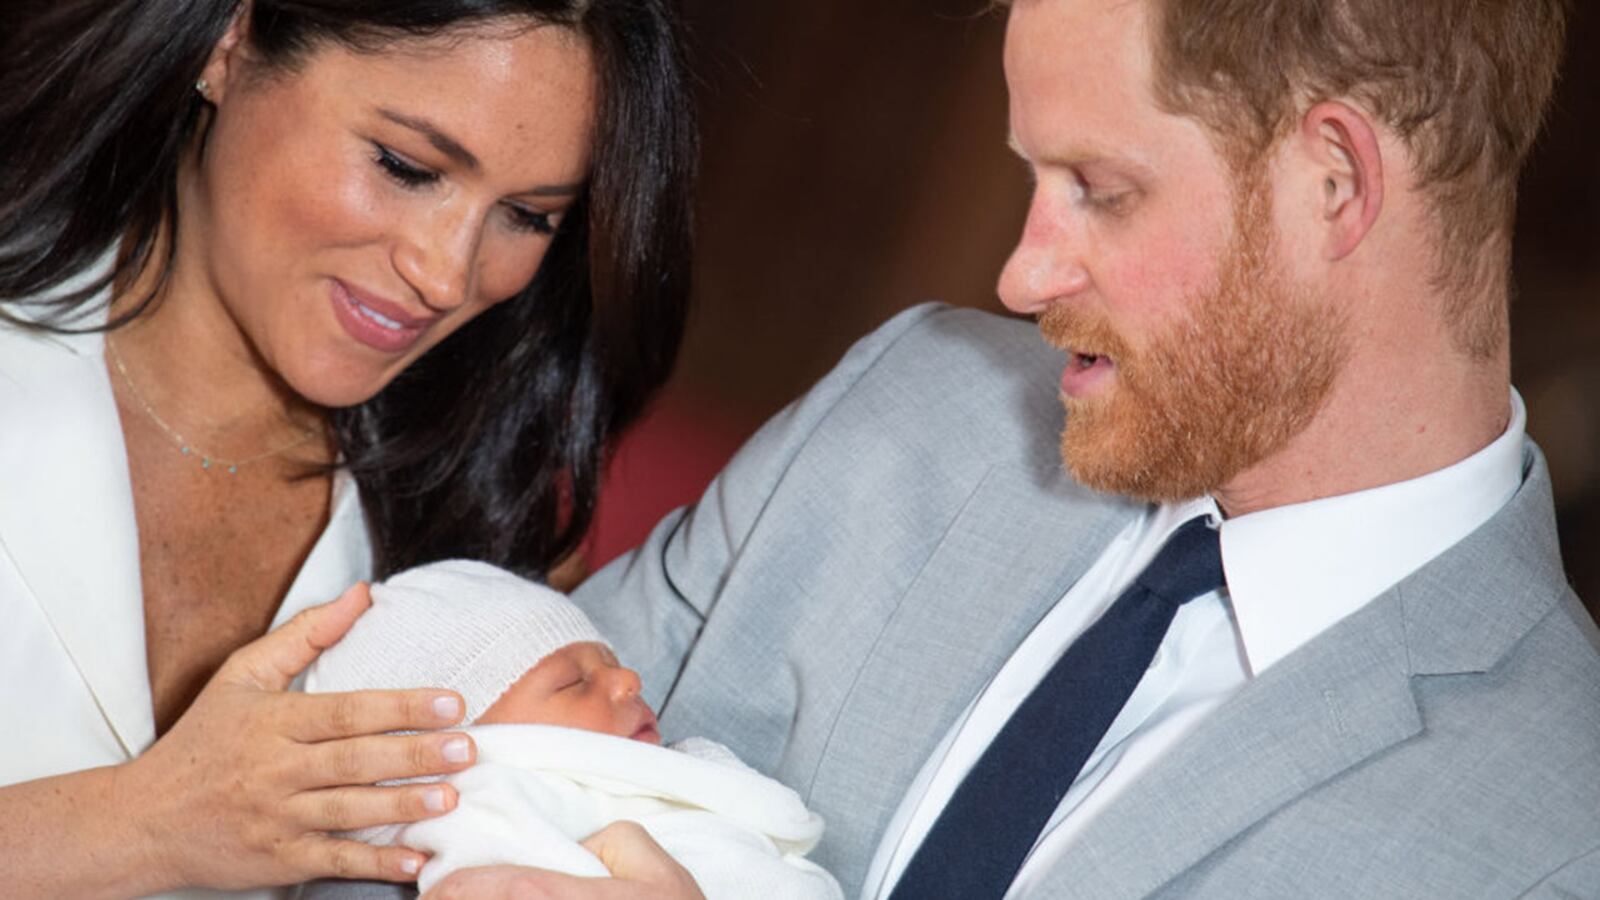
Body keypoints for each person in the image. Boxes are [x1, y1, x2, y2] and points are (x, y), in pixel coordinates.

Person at [436, 0, 1599, 896]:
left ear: (1335, 183)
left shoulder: (1560, 835)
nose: (1021, 278)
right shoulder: (904, 405)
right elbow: (416, 792)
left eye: (1100, 189)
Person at [0, 0, 694, 896]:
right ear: (231, 43)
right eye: (407, 166)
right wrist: (143, 822)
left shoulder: (469, 541)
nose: (446, 274)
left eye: (526, 215)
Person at [297, 559, 843, 899]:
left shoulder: (678, 777)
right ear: (454, 752)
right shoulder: (488, 807)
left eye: (612, 660)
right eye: (574, 682)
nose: (628, 679)